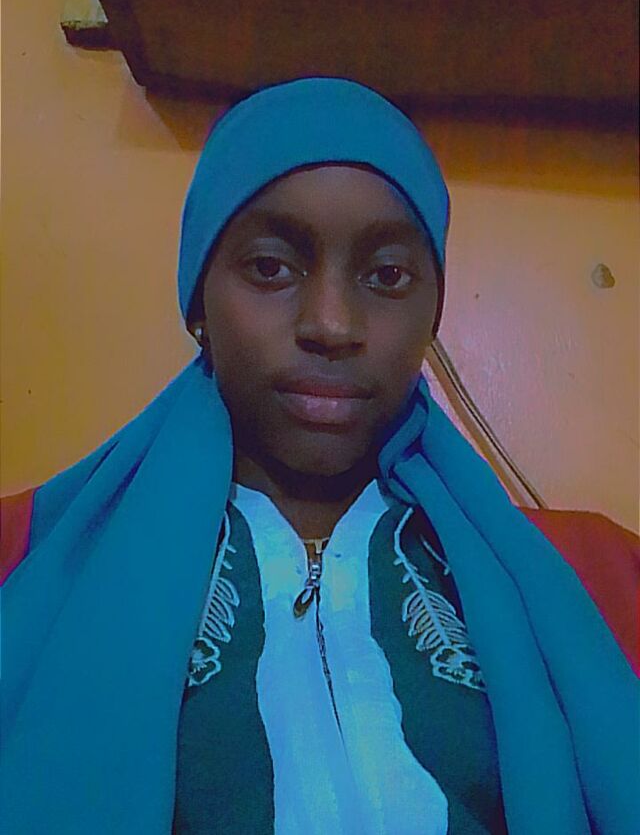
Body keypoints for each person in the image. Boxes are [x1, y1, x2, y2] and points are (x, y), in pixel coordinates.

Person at [1, 77, 638, 835]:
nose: (332, 325)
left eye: (387, 276)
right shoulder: (21, 559)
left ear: (432, 310)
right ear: (198, 299)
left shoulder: (604, 575)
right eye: (272, 267)